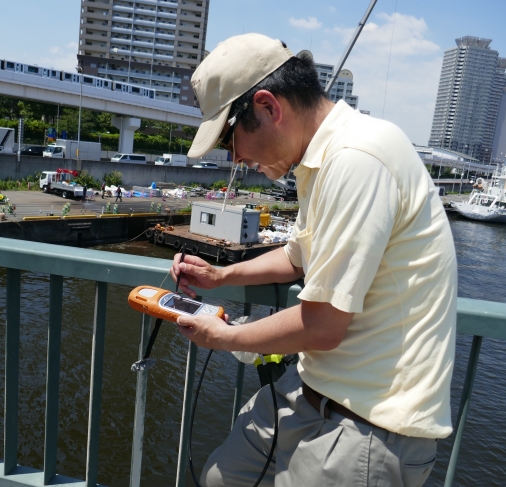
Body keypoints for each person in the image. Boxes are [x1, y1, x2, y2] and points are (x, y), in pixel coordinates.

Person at [171, 34, 456, 487]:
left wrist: (224, 337)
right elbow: (298, 255)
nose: (235, 157)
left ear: (267, 107)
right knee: (219, 478)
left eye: (230, 137)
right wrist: (221, 275)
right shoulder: (319, 160)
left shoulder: (358, 158)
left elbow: (323, 325)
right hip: (314, 390)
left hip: (370, 423)